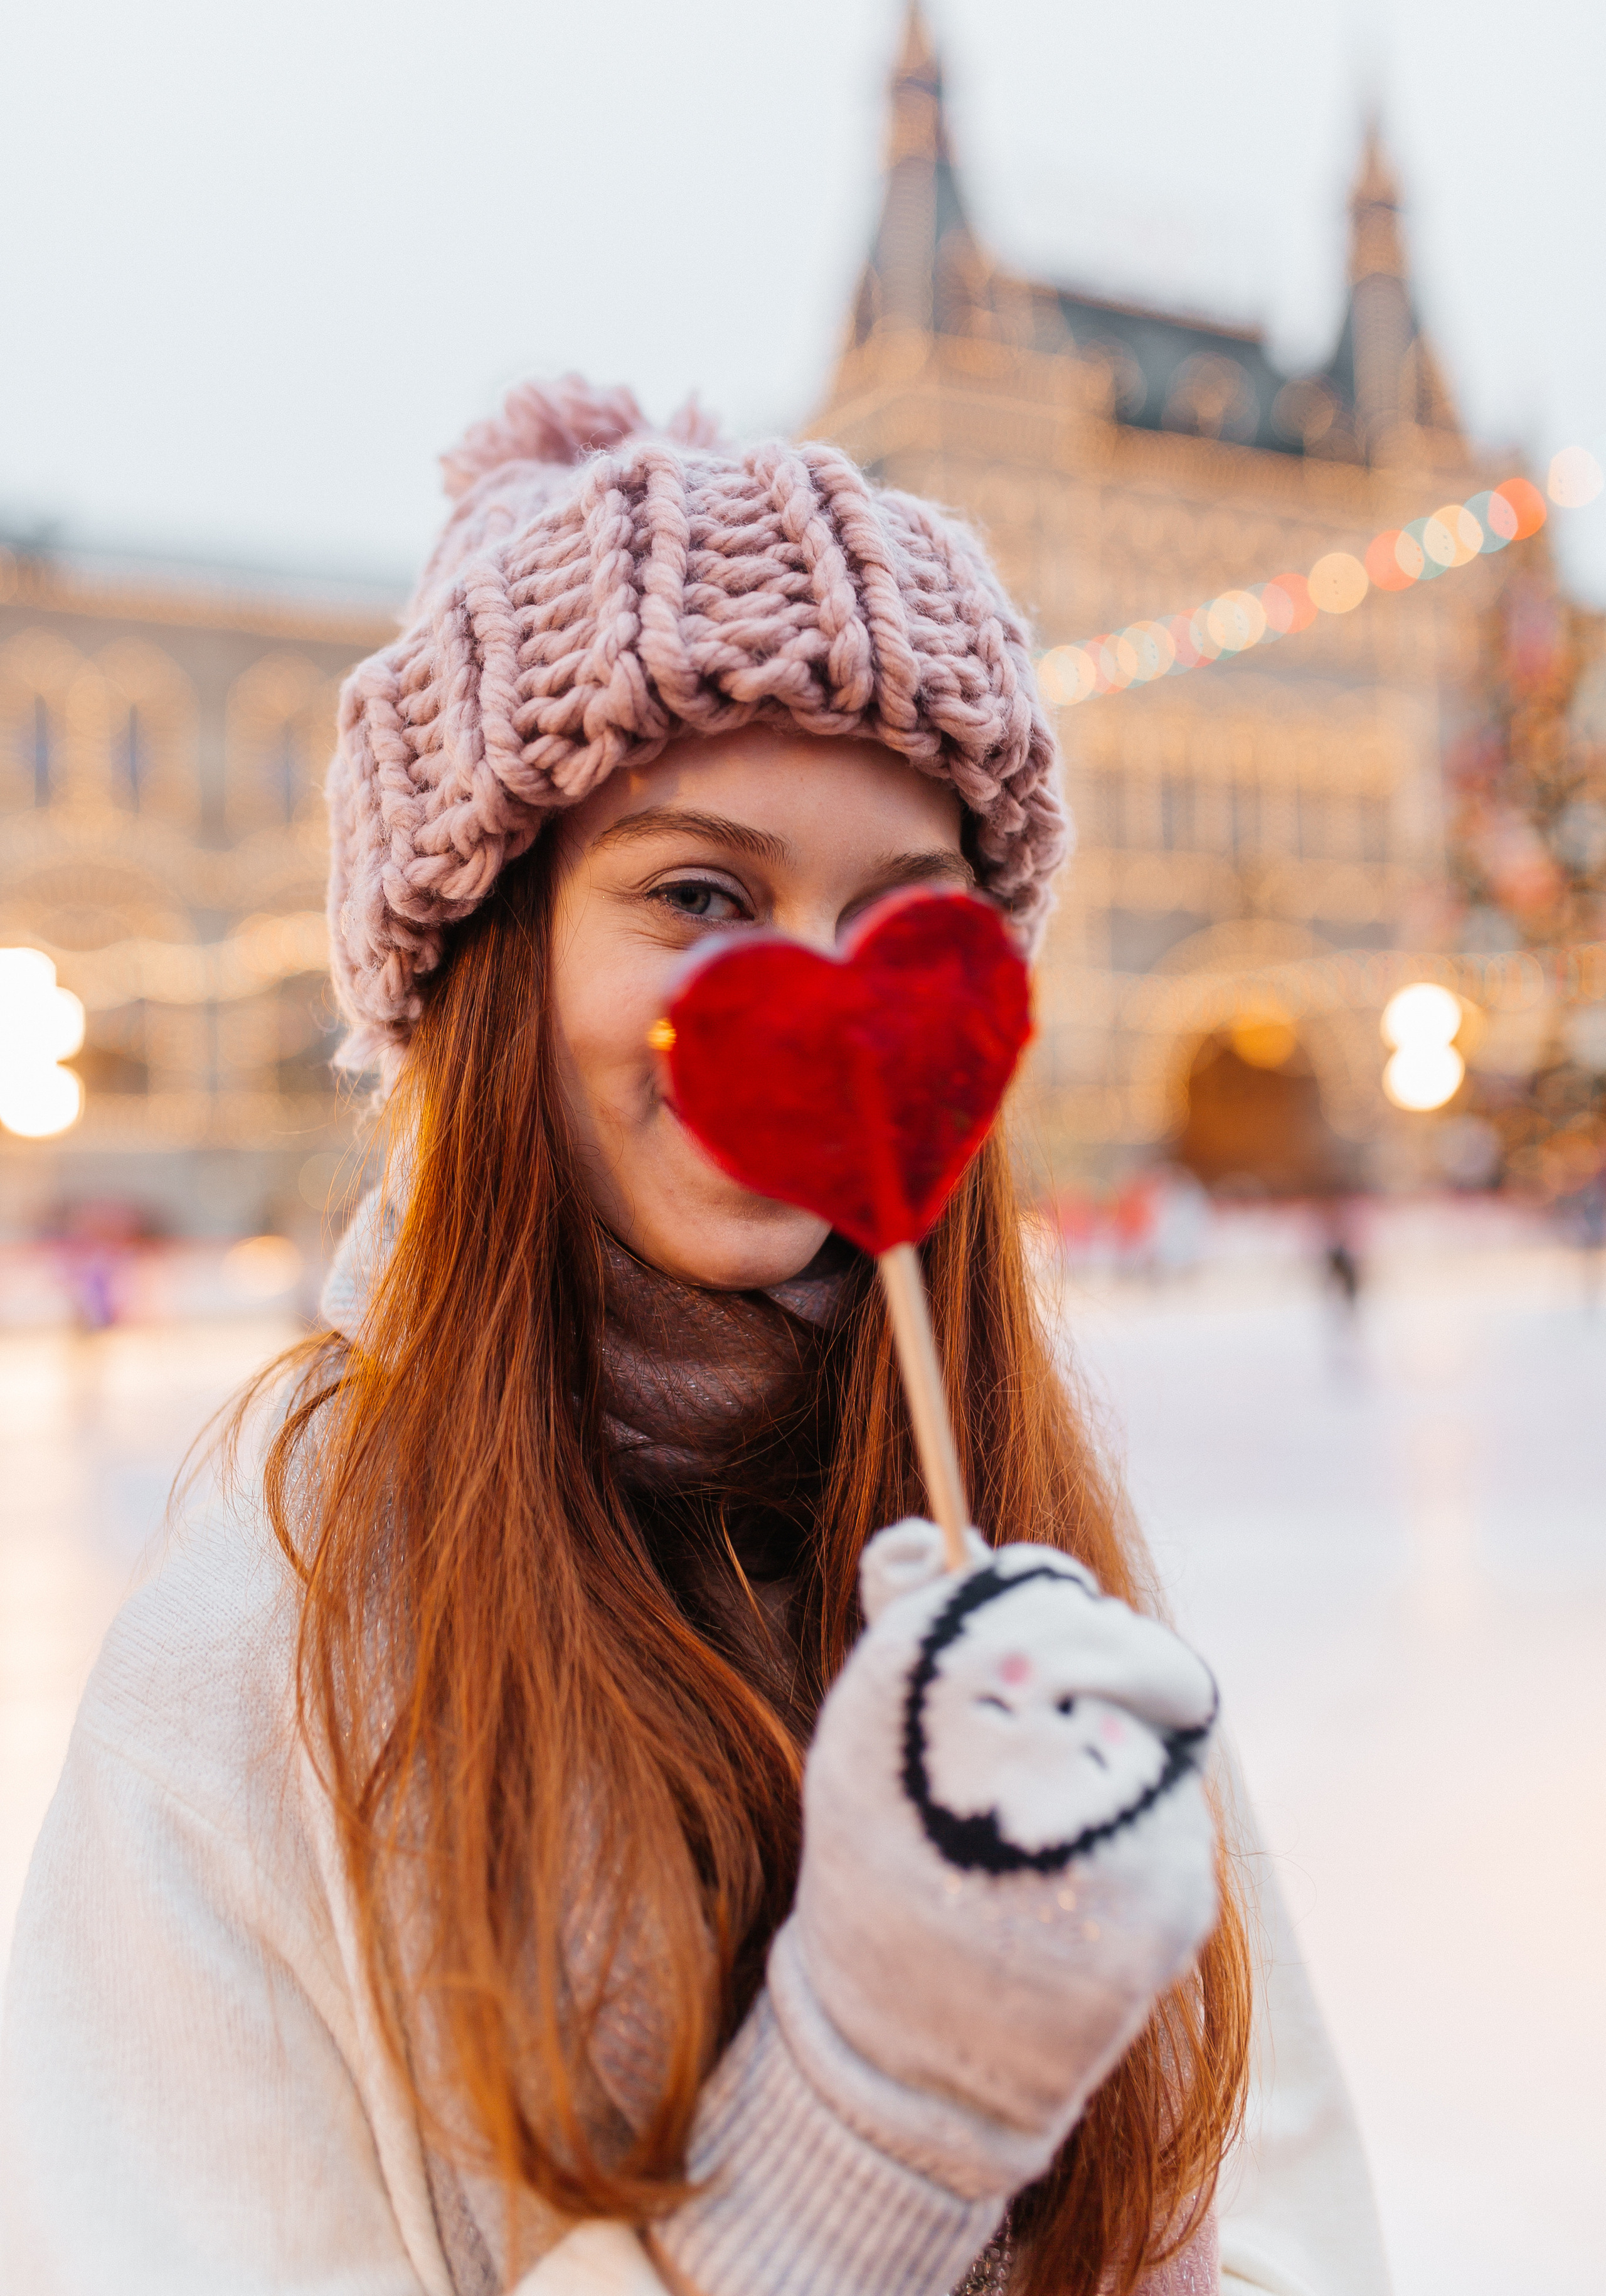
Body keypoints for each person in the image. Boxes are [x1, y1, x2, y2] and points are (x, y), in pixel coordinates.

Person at [0, 382, 1392, 2296]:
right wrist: (864, 2130)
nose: (804, 1000)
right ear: (491, 949)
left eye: (902, 915)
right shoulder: (289, 1606)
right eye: (702, 895)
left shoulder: (1016, 1509)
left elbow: (1296, 2203)